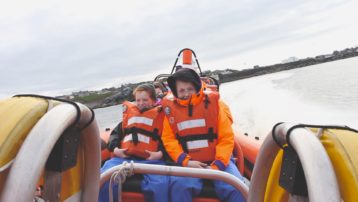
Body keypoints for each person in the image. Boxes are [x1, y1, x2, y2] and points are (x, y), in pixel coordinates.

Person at [161, 68, 245, 202]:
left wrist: (217, 165)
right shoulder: (170, 113)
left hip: (219, 161)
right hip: (189, 163)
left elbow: (226, 137)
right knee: (179, 187)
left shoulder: (215, 106)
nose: (186, 93)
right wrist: (186, 162)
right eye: (182, 90)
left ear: (196, 87)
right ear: (175, 92)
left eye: (190, 88)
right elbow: (169, 139)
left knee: (236, 188)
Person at [99, 84, 169, 202]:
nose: (141, 103)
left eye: (145, 100)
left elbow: (168, 139)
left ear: (153, 100)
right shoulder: (128, 118)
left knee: (160, 185)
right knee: (105, 176)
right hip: (124, 158)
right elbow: (115, 135)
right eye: (138, 100)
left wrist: (160, 154)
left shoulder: (162, 118)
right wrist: (115, 149)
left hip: (152, 160)